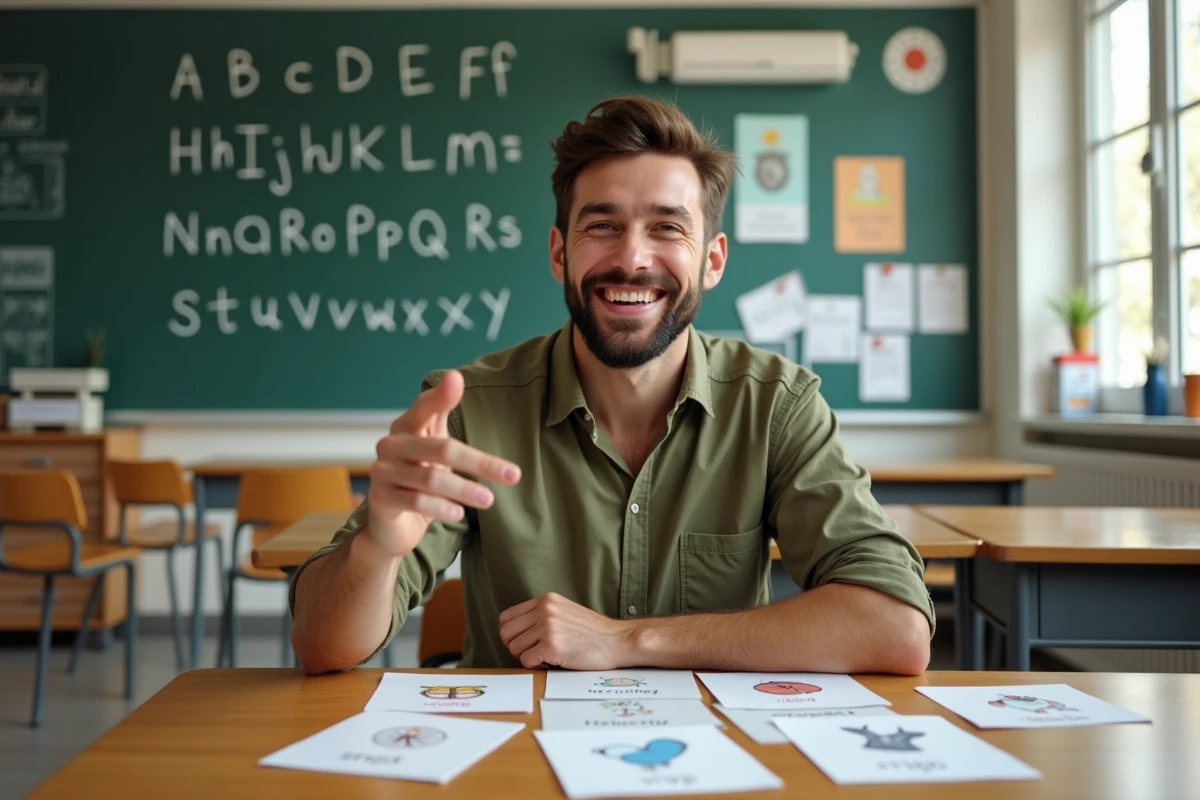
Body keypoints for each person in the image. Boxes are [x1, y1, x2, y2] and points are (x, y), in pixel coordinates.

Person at [290, 96, 933, 675]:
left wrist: (627, 640)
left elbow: (895, 627)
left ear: (712, 260)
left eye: (667, 227)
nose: (631, 258)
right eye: (602, 225)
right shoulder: (468, 410)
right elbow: (322, 648)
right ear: (559, 253)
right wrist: (376, 550)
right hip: (518, 750)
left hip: (715, 748)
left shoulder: (776, 406)